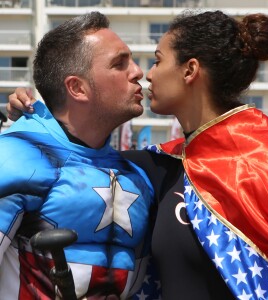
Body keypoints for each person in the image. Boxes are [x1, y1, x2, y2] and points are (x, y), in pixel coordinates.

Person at [7, 10, 268, 300]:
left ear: (190, 71)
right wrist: (37, 122)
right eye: (120, 64)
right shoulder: (153, 166)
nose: (143, 73)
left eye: (157, 61)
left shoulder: (264, 164)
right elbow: (79, 149)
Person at [0, 12, 155, 299]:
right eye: (119, 64)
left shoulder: (141, 178)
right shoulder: (15, 157)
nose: (137, 72)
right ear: (77, 88)